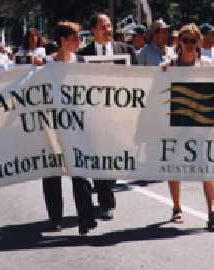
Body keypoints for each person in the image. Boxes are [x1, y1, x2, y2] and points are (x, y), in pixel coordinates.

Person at [161, 23, 214, 232]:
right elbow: (156, 89)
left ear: (198, 42)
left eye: (193, 41)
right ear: (179, 42)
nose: (189, 45)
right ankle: (177, 207)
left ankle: (212, 210)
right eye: (185, 40)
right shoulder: (170, 65)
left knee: (206, 165)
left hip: (201, 123)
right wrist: (161, 72)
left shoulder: (207, 64)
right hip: (176, 122)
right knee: (174, 165)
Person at [78, 13, 137, 220]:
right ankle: (106, 202)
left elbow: (140, 80)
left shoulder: (126, 51)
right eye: (103, 26)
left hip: (119, 117)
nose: (108, 29)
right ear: (93, 30)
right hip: (95, 118)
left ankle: (106, 187)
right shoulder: (83, 55)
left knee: (114, 159)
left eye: (110, 25)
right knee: (100, 158)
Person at [43, 21, 97, 236]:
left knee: (80, 170)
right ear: (63, 40)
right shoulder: (46, 64)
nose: (79, 41)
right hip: (52, 125)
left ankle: (86, 218)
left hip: (76, 124)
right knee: (52, 171)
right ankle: (55, 216)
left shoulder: (82, 61)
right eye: (75, 37)